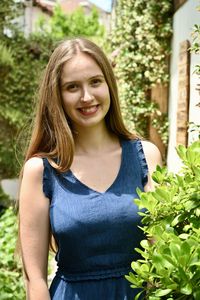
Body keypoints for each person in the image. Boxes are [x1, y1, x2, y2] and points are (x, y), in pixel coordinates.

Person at [19, 37, 162, 300]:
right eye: (72, 87)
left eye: (95, 82)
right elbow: (35, 278)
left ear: (109, 84)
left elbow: (164, 258)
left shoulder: (147, 156)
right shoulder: (40, 171)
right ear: (57, 96)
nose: (87, 97)